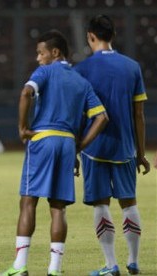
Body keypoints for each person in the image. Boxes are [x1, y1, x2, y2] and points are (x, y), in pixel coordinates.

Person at [0, 30, 108, 276]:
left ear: (55, 52)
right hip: (67, 143)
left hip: (43, 139)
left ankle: (20, 266)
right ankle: (54, 269)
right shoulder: (81, 81)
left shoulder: (45, 71)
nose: (38, 58)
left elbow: (26, 92)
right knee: (58, 208)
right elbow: (101, 117)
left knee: (28, 202)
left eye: (40, 53)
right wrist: (79, 146)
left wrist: (23, 128)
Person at [74, 15, 150, 276]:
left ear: (90, 37)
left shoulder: (81, 69)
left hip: (93, 148)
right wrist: (141, 153)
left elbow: (77, 115)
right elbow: (139, 114)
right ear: (113, 35)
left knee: (100, 204)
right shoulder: (132, 67)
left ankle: (110, 264)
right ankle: (134, 261)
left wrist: (75, 150)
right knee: (129, 204)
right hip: (126, 148)